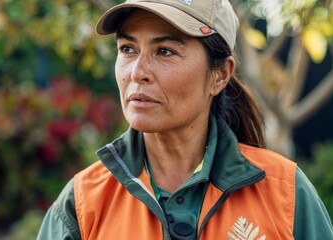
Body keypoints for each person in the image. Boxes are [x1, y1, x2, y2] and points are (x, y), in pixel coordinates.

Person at [37, 0, 333, 239]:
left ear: (220, 75)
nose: (137, 71)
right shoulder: (82, 203)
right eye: (128, 49)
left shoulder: (286, 193)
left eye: (164, 51)